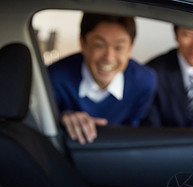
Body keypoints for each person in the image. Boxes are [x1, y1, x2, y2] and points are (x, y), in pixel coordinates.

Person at [48, 13, 157, 144]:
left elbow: (136, 132)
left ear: (130, 49)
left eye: (119, 48)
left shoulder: (145, 82)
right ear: (83, 44)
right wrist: (60, 118)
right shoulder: (54, 77)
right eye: (99, 45)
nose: (108, 57)